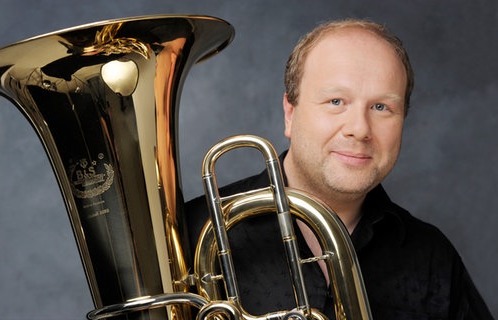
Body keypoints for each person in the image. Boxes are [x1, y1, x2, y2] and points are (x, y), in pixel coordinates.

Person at [185, 19, 493, 319]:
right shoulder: (191, 232)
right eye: (336, 101)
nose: (359, 129)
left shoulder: (432, 257)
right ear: (290, 113)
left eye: (381, 107)